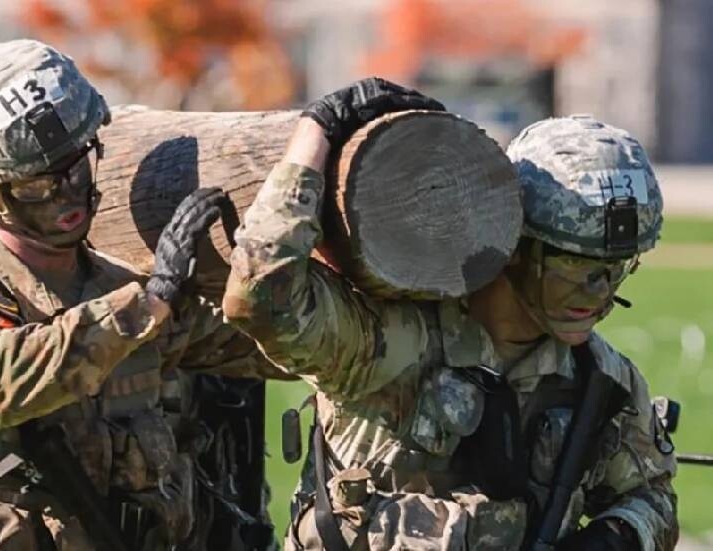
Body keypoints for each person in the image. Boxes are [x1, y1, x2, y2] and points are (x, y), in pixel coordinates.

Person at [222, 78, 677, 551]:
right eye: (577, 265)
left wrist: (617, 536)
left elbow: (652, 495)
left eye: (615, 269)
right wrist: (315, 132)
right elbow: (260, 296)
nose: (599, 292)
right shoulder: (392, 341)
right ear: (518, 245)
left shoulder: (602, 380)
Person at [0, 39, 278, 550]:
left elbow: (252, 346)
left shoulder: (112, 286)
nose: (64, 195)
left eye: (75, 167)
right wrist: (148, 304)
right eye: (34, 187)